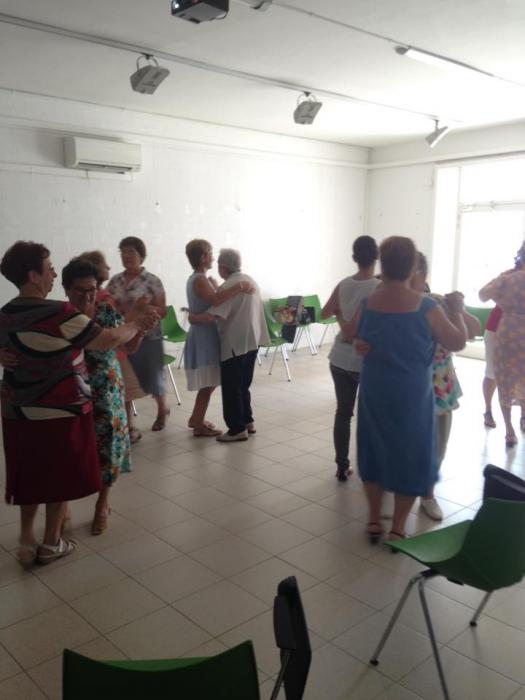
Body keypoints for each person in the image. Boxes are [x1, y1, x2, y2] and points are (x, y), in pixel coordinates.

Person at [0, 241, 157, 567]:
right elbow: (107, 339)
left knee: (30, 473)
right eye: (48, 268)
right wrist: (136, 323)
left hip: (18, 411)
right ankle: (51, 543)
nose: (53, 273)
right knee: (59, 476)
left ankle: (27, 541)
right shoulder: (59, 313)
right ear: (33, 275)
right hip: (60, 408)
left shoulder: (6, 314)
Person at [344, 237, 468, 543]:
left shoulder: (369, 302)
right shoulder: (426, 307)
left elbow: (351, 334)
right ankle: (398, 528)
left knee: (374, 450)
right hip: (412, 395)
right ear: (413, 267)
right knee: (410, 458)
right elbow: (456, 342)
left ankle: (374, 519)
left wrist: (359, 343)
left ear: (382, 265)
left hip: (374, 391)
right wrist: (457, 311)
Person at [63, 256, 144, 535]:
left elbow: (128, 347)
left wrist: (140, 331)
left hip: (106, 391)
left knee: (108, 446)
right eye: (80, 290)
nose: (88, 296)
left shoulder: (106, 311)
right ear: (66, 289)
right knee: (69, 449)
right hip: (70, 392)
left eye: (92, 289)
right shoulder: (60, 316)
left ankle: (102, 504)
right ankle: (63, 507)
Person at [410, 252, 480, 521]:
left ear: (421, 276)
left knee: (436, 444)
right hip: (408, 384)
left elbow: (472, 330)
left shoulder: (436, 302)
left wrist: (459, 309)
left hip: (437, 384)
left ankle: (427, 494)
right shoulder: (388, 302)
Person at [189, 248, 269, 442]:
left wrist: (192, 318)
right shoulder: (250, 280)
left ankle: (236, 429)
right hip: (253, 340)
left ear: (223, 268)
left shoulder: (230, 286)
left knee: (232, 387)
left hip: (235, 343)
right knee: (243, 385)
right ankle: (248, 421)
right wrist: (218, 288)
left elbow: (212, 315)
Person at [321, 235, 380, 482]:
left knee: (343, 413)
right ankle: (371, 467)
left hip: (339, 358)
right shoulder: (379, 287)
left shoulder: (344, 284)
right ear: (376, 256)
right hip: (365, 361)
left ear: (354, 257)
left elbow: (324, 312)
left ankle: (342, 466)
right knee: (371, 416)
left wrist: (340, 317)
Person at [81, 250, 146, 439]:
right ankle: (126, 429)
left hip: (105, 357)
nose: (109, 267)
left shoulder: (102, 296)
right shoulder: (104, 300)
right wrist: (137, 314)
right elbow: (118, 328)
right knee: (120, 396)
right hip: (111, 356)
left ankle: (126, 429)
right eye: (104, 265)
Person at [107, 236, 168, 436]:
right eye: (123, 252)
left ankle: (162, 410)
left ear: (141, 256)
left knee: (152, 377)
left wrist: (145, 309)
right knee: (125, 379)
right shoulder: (115, 281)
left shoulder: (152, 281)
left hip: (148, 335)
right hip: (123, 336)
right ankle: (129, 424)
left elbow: (163, 310)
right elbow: (106, 306)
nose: (126, 256)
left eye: (130, 252)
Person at [479, 242, 525, 447]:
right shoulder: (508, 276)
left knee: (503, 378)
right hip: (501, 331)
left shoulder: (507, 279)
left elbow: (482, 294)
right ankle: (491, 413)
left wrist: (502, 298)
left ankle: (510, 429)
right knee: (496, 375)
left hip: (506, 332)